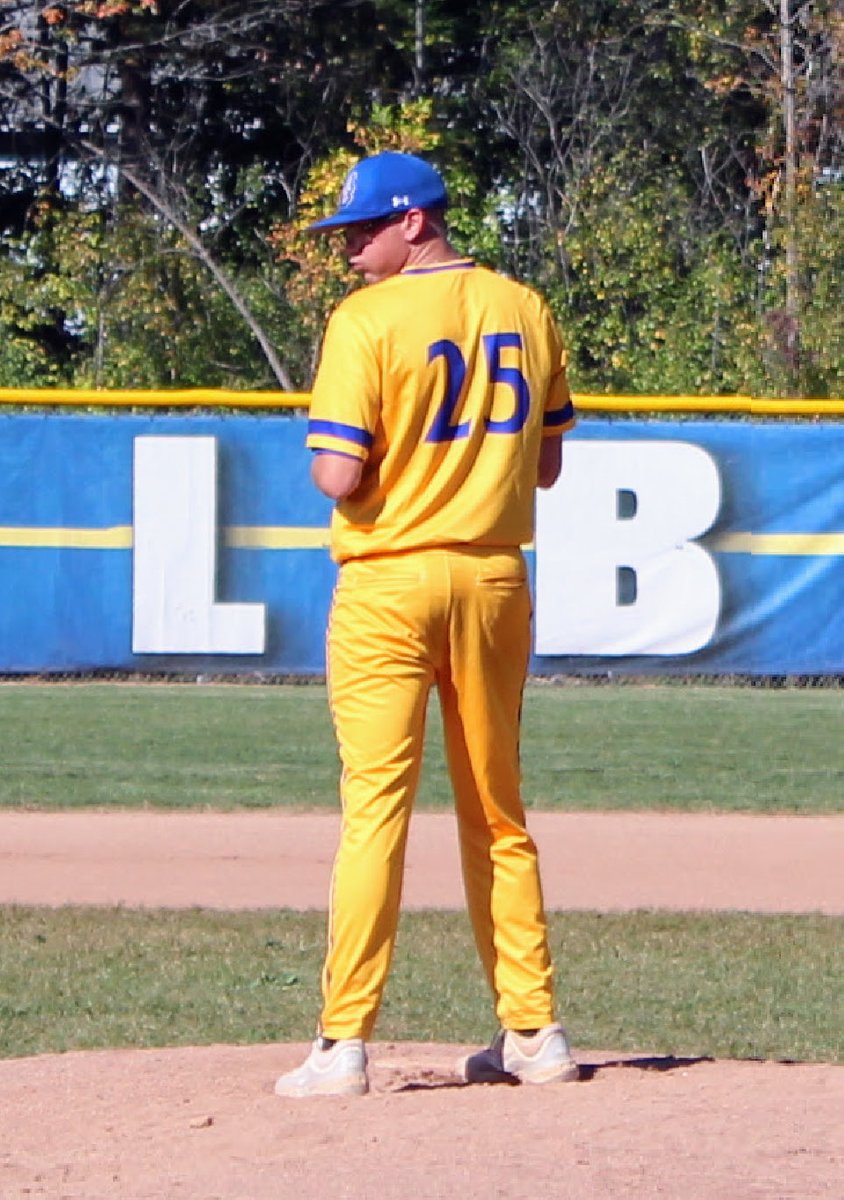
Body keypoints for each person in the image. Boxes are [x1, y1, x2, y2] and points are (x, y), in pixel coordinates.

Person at [274, 151, 578, 1098]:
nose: (351, 247)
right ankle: (534, 1034)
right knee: (498, 809)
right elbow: (548, 468)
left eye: (364, 229)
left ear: (417, 222)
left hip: (389, 581)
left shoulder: (363, 321)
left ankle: (344, 1043)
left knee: (376, 809)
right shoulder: (525, 307)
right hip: (491, 576)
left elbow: (337, 474)